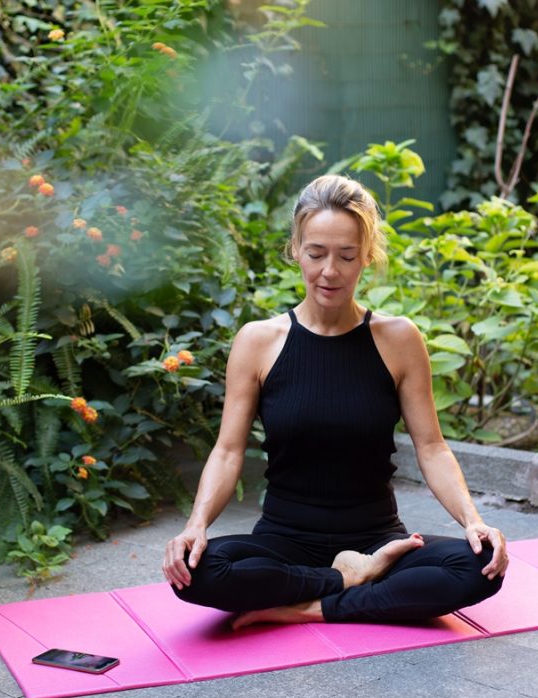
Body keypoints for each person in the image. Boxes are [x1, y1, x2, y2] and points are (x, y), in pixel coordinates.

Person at [162, 174, 507, 629]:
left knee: (479, 566)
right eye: (316, 253)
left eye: (347, 256)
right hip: (283, 539)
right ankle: (348, 582)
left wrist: (473, 521)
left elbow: (431, 447)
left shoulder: (399, 339)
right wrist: (196, 525)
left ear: (367, 255)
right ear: (295, 250)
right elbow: (228, 450)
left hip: (377, 540)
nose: (330, 271)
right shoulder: (258, 341)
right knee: (197, 571)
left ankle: (308, 604)